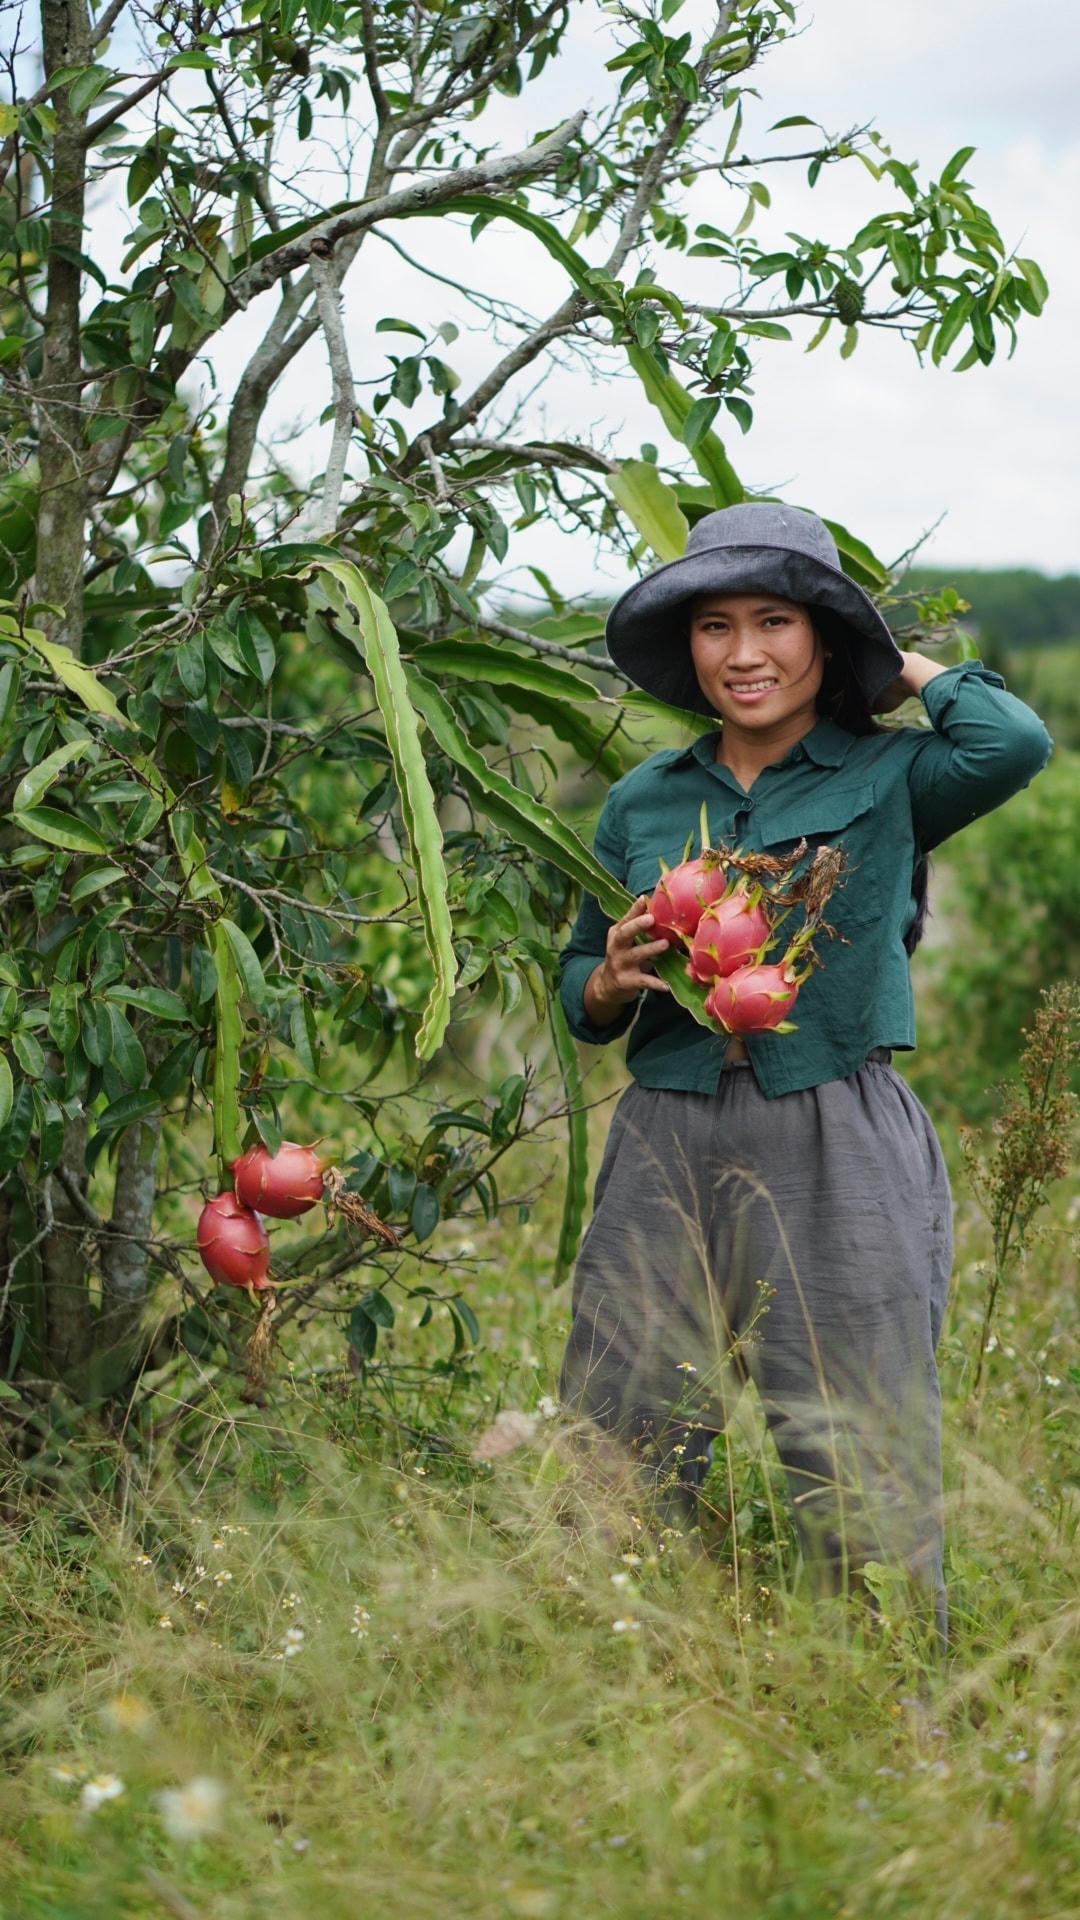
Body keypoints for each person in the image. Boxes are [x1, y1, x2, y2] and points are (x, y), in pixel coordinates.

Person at [557, 502, 1051, 1642]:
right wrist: (612, 978)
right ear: (687, 646)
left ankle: (885, 1702)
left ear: (823, 637)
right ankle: (640, 1675)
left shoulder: (893, 776)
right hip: (665, 1131)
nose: (744, 654)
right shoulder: (642, 800)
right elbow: (578, 983)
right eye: (715, 626)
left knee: (855, 1433)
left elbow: (1014, 743)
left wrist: (897, 664)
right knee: (624, 1420)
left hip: (832, 1120)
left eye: (776, 621)